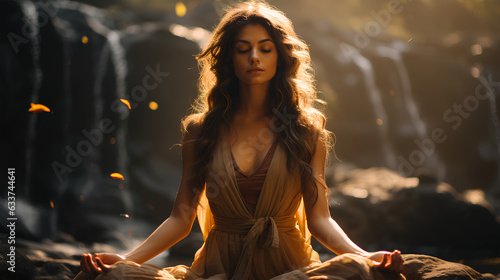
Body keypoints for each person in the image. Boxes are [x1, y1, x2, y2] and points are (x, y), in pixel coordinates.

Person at [75, 1, 404, 279]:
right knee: (113, 277)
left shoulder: (306, 130)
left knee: (359, 272)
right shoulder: (200, 131)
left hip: (289, 266)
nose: (255, 58)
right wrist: (128, 259)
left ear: (281, 56)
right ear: (229, 58)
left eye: (265, 48)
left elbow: (320, 219)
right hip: (220, 268)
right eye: (243, 49)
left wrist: (366, 255)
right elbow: (181, 217)